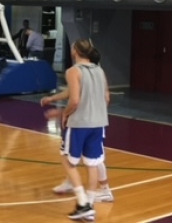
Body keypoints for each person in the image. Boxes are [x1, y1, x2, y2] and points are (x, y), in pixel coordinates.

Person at [56, 39, 110, 220]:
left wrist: (65, 113)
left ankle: (82, 202)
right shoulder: (100, 71)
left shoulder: (73, 71)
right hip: (99, 123)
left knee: (67, 160)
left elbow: (75, 101)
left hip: (80, 123)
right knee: (92, 163)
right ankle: (90, 204)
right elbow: (107, 98)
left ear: (75, 51)